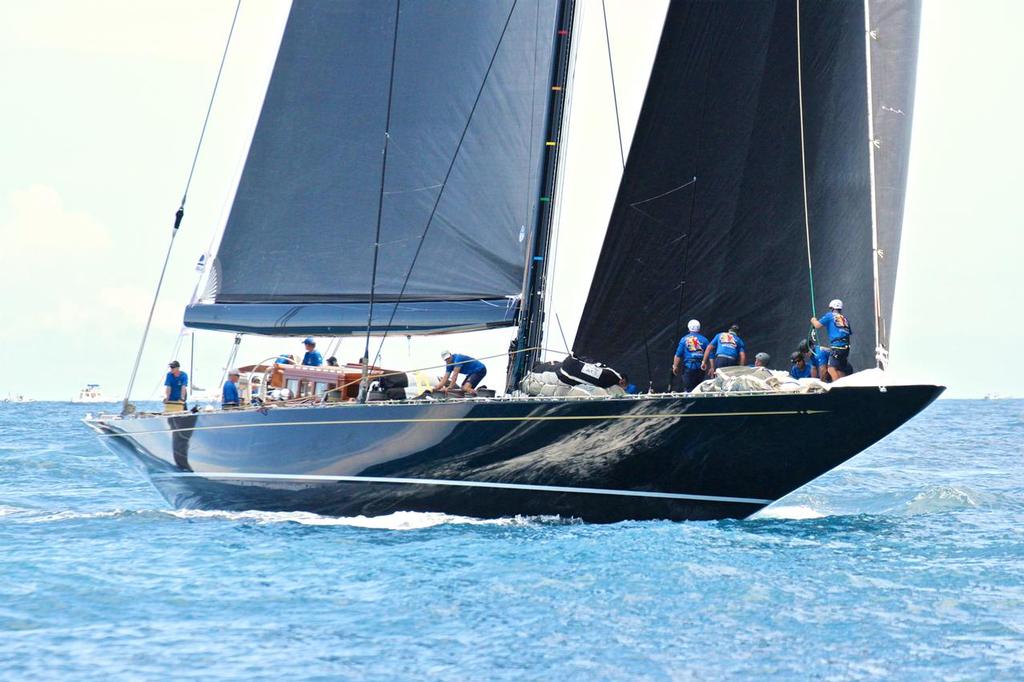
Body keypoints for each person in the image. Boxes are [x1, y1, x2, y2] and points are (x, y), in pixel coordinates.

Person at [811, 299, 852, 381]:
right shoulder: (845, 319)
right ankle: (844, 388)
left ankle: (837, 389)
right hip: (846, 348)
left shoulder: (830, 315)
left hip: (837, 347)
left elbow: (817, 325)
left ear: (832, 308)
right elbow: (848, 332)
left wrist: (813, 320)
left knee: (831, 369)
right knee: (839, 370)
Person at [672, 319, 709, 392]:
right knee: (699, 389)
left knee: (688, 389)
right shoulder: (704, 340)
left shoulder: (684, 339)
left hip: (688, 367)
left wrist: (675, 366)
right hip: (700, 368)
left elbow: (678, 355)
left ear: (689, 327)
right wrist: (712, 367)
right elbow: (711, 354)